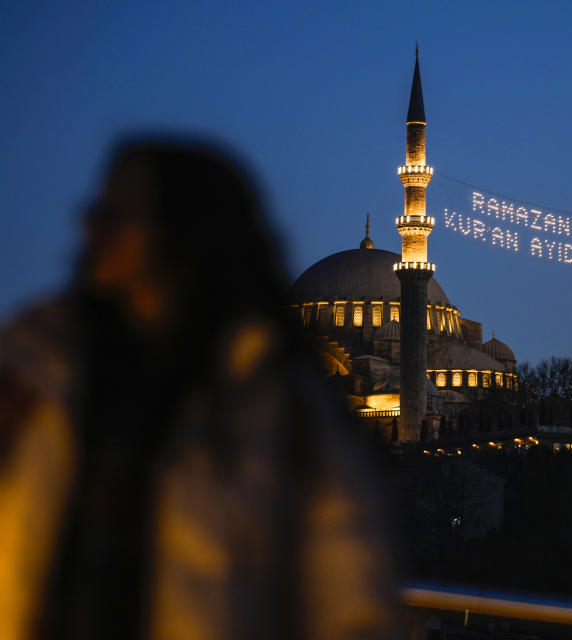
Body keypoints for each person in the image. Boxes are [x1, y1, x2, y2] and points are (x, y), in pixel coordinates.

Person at [0, 137, 398, 639]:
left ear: (182, 232)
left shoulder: (278, 405)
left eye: (116, 213)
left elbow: (348, 593)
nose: (89, 226)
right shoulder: (37, 373)